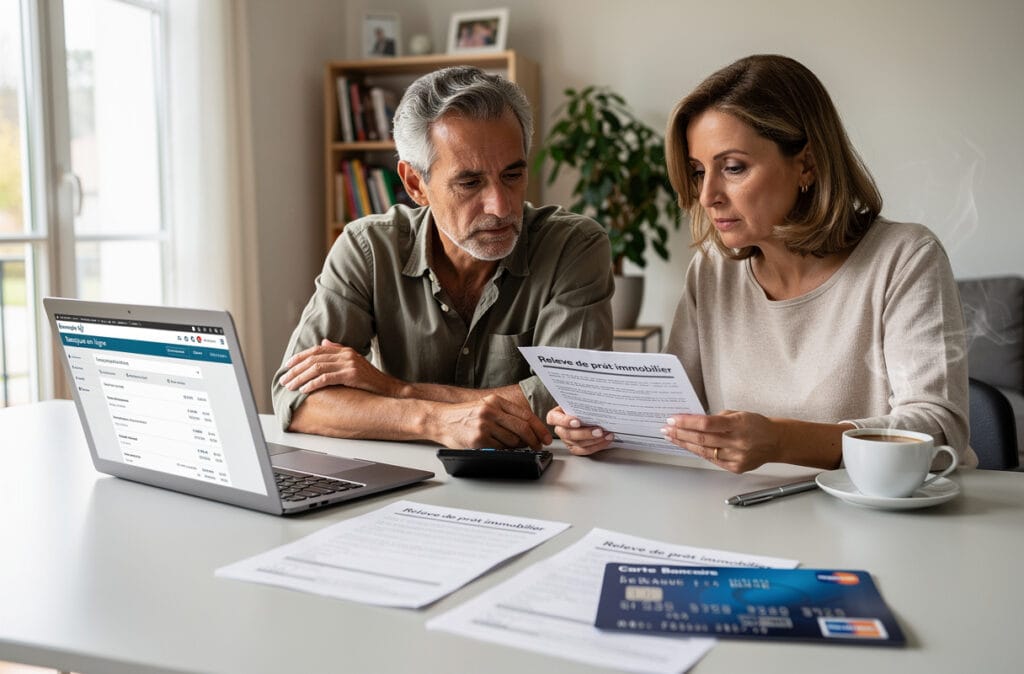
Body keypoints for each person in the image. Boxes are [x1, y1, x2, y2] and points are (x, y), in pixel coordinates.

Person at [548, 54, 978, 472]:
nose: (707, 195)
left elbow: (939, 428)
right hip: (739, 516)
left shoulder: (904, 258)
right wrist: (599, 427)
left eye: (733, 167)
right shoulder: (713, 270)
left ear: (806, 163)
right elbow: (674, 416)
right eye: (699, 171)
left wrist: (779, 441)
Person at [273, 66, 614, 450]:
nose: (500, 206)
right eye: (470, 183)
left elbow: (572, 401)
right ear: (416, 184)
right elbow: (298, 400)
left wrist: (395, 390)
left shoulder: (574, 246)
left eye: (512, 175)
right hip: (404, 485)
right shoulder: (367, 249)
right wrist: (433, 420)